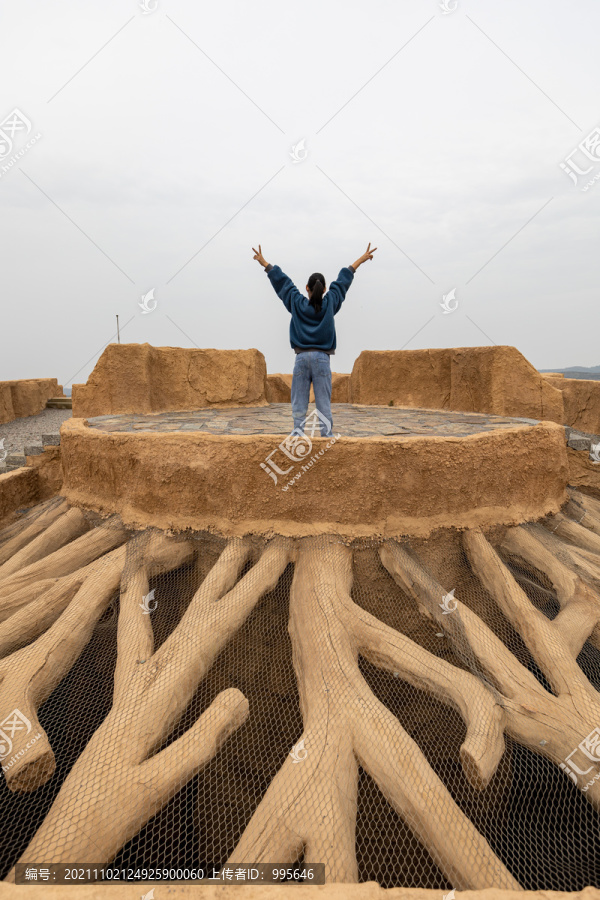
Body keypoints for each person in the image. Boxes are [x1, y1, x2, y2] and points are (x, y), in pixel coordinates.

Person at [252, 243, 377, 437]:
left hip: (301, 358)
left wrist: (264, 263)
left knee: (299, 403)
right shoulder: (331, 303)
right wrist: (361, 259)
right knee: (323, 403)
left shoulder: (296, 302)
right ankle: (326, 436)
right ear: (325, 289)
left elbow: (283, 283)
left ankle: (297, 435)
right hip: (322, 359)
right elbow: (343, 280)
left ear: (307, 288)